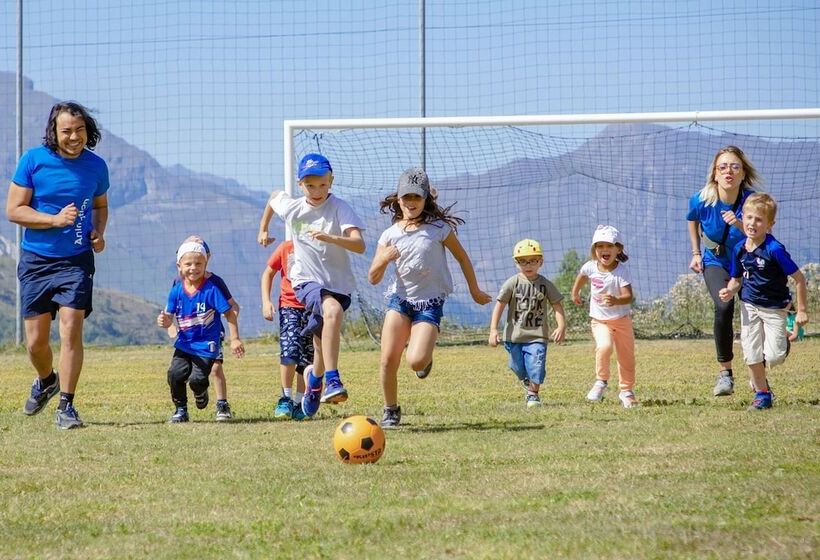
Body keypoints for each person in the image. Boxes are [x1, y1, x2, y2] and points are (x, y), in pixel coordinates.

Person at [6, 101, 110, 429]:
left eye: (79, 130)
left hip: (76, 262)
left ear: (88, 131)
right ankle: (46, 380)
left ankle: (67, 406)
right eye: (66, 131)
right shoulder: (33, 161)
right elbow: (14, 211)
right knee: (36, 344)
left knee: (70, 329)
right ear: (54, 131)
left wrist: (98, 232)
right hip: (36, 260)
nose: (74, 137)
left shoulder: (96, 166)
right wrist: (53, 220)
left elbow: (100, 205)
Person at [368, 167, 492, 428]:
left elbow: (462, 258)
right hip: (400, 301)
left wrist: (475, 290)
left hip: (430, 302)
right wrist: (383, 258)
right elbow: (373, 277)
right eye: (406, 198)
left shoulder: (439, 229)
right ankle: (390, 410)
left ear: (426, 199)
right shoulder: (389, 235)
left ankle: (424, 353)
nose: (411, 203)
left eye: (416, 197)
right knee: (388, 358)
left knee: (415, 361)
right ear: (398, 200)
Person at [257, 153, 365, 418]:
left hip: (339, 284)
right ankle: (333, 379)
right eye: (309, 185)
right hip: (305, 281)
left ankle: (314, 380)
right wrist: (263, 228)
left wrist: (332, 238)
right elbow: (274, 196)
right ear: (300, 184)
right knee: (333, 312)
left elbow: (359, 245)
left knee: (319, 341)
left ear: (331, 181)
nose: (316, 191)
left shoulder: (340, 208)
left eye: (322, 184)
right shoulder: (294, 208)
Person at [718, 193, 808, 410]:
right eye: (748, 218)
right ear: (743, 217)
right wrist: (730, 290)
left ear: (770, 224)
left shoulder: (774, 249)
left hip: (774, 308)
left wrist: (802, 310)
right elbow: (736, 279)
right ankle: (762, 394)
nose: (752, 223)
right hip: (749, 305)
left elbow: (799, 279)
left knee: (774, 356)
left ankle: (782, 343)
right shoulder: (740, 249)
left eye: (759, 220)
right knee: (751, 352)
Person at [687, 146, 763, 397]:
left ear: (743, 174)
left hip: (747, 261)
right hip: (716, 261)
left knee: (754, 312)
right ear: (715, 174)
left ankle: (758, 376)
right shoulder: (700, 199)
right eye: (723, 167)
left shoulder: (753, 201)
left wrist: (739, 223)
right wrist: (696, 253)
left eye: (734, 167)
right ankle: (725, 375)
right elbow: (692, 219)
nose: (728, 171)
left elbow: (764, 235)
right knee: (723, 305)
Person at [157, 240, 245, 423]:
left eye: (198, 264)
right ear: (179, 266)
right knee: (175, 374)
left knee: (198, 379)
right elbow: (168, 315)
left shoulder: (212, 289)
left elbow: (229, 313)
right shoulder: (176, 290)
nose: (193, 268)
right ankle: (181, 410)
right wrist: (165, 321)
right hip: (184, 343)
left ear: (206, 264)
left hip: (206, 345)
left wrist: (234, 338)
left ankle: (202, 391)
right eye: (188, 264)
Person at [488, 239, 566, 408]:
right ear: (516, 263)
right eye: (522, 261)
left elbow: (557, 305)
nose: (528, 265)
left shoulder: (545, 284)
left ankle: (533, 394)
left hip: (537, 336)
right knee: (517, 367)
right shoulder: (512, 283)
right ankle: (525, 378)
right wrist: (493, 330)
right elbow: (499, 306)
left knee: (536, 364)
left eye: (532, 261)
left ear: (541, 262)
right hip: (513, 336)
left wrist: (561, 326)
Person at [571, 225, 638, 408]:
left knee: (626, 357)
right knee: (604, 346)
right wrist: (575, 293)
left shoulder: (621, 271)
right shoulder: (590, 267)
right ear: (594, 250)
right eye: (599, 246)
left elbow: (628, 296)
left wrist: (616, 300)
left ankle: (626, 391)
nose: (604, 250)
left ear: (618, 249)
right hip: (600, 321)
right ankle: (601, 381)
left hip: (622, 321)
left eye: (609, 246)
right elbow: (582, 276)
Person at [261, 239, 313, 421]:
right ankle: (286, 398)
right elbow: (268, 273)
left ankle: (300, 402)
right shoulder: (285, 247)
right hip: (290, 306)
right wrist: (266, 302)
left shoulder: (320, 245)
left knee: (307, 358)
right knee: (290, 351)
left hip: (313, 307)